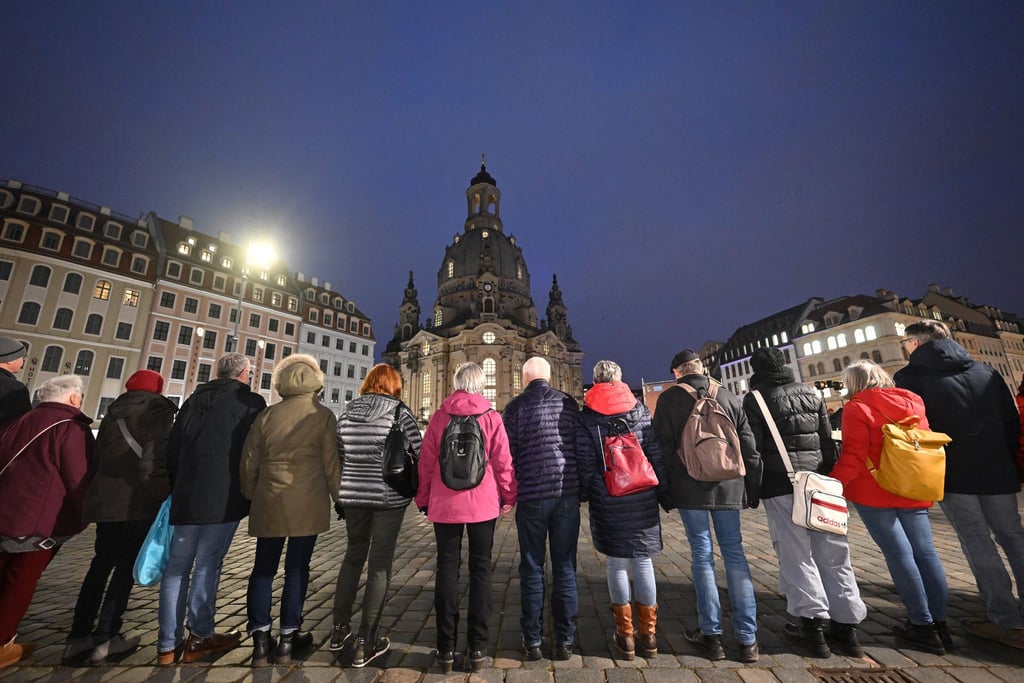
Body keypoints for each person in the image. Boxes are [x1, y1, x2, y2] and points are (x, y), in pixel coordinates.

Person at [894, 320, 1024, 649]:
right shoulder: (987, 373)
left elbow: (914, 431)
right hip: (998, 470)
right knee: (1014, 537)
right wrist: (1003, 458)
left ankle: (1006, 620)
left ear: (916, 343)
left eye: (905, 341)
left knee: (977, 542)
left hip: (953, 472)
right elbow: (1012, 422)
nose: (905, 346)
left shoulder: (911, 377)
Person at [742, 347, 866, 658]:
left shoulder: (756, 399)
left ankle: (811, 627)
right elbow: (827, 440)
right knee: (835, 552)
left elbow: (754, 452)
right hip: (819, 482)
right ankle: (847, 627)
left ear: (755, 370)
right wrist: (828, 477)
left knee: (796, 554)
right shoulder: (811, 393)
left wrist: (752, 491)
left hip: (781, 484)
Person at [831, 360, 950, 654]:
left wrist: (834, 484)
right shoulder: (914, 401)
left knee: (900, 556)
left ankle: (921, 626)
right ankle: (941, 624)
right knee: (926, 553)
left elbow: (854, 454)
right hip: (913, 484)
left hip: (876, 491)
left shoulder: (856, 408)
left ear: (855, 383)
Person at [157, 353, 266, 665]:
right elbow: (252, 451)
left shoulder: (192, 400)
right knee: (207, 565)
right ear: (244, 373)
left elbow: (173, 447)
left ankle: (167, 645)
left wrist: (177, 485)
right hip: (222, 495)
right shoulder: (251, 403)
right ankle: (201, 636)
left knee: (176, 569)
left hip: (186, 494)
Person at [654, 349, 762, 663]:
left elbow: (660, 448)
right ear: (701, 368)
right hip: (729, 485)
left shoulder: (669, 399)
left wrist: (665, 490)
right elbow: (749, 445)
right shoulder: (728, 396)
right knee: (735, 555)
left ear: (676, 372)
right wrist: (751, 487)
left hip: (689, 487)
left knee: (702, 556)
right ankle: (747, 638)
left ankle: (711, 634)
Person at [64, 370, 177, 665]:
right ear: (157, 389)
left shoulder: (113, 413)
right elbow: (153, 461)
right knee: (125, 568)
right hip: (137, 501)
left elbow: (96, 458)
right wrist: (163, 494)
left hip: (106, 501)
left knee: (100, 565)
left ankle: (77, 638)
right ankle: (107, 637)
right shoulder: (157, 411)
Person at [240, 354, 339, 666]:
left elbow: (249, 461)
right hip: (307, 502)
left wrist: (250, 494)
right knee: (297, 568)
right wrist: (340, 498)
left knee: (263, 569)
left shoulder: (267, 416)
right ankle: (287, 638)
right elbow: (331, 464)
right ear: (315, 383)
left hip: (269, 499)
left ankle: (259, 639)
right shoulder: (322, 416)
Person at [417, 362, 517, 673]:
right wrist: (508, 496)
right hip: (483, 505)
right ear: (482, 384)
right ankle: (477, 648)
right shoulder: (491, 417)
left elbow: (427, 463)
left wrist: (423, 499)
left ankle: (445, 650)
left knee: (447, 569)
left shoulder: (439, 416)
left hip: (445, 504)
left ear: (457, 384)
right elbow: (503, 462)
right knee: (481, 571)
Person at [575, 360, 669, 660]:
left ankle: (626, 636)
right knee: (643, 562)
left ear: (595, 381)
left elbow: (585, 462)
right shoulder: (639, 409)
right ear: (619, 379)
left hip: (608, 494)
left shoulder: (587, 416)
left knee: (616, 563)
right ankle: (649, 635)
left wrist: (590, 491)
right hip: (641, 491)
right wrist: (664, 490)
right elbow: (654, 452)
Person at [0, 375, 95, 668]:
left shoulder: (16, 422)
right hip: (40, 518)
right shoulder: (69, 428)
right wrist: (86, 513)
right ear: (74, 398)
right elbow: (79, 477)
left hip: (6, 512)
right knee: (21, 580)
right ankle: (3, 644)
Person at [331, 363, 421, 668]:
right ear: (394, 385)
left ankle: (339, 630)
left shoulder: (346, 412)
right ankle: (366, 641)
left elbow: (340, 454)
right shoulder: (399, 412)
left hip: (353, 497)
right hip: (387, 498)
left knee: (352, 557)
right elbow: (419, 452)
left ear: (368, 382)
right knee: (380, 566)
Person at [503, 356, 581, 661]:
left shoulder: (515, 407)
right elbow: (579, 445)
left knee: (532, 567)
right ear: (549, 377)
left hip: (532, 496)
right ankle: (565, 640)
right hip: (565, 494)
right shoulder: (568, 403)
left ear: (524, 379)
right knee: (565, 567)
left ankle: (533, 641)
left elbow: (508, 455)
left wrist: (510, 492)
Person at [0, 335, 31, 426]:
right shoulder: (14, 388)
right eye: (22, 357)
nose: (24, 360)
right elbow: (21, 422)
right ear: (9, 359)